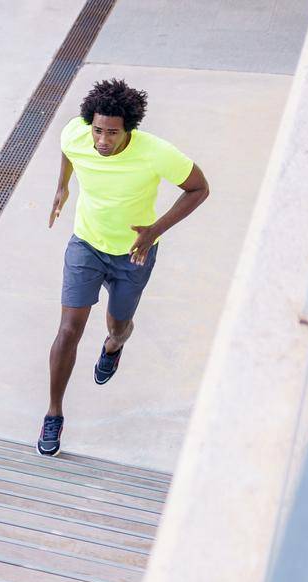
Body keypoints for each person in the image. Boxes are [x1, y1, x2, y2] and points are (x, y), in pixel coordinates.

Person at [39, 78, 210, 456]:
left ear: (128, 129)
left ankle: (114, 346)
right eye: (98, 130)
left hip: (134, 252)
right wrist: (61, 187)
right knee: (68, 330)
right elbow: (68, 149)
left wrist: (154, 231)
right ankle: (54, 413)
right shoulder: (77, 133)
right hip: (86, 244)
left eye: (112, 133)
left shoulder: (156, 152)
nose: (102, 140)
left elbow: (199, 187)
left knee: (118, 325)